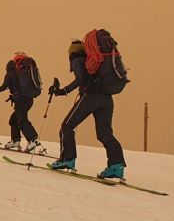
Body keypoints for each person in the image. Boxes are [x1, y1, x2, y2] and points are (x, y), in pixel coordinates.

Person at [49, 32, 127, 179]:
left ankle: (67, 159)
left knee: (67, 125)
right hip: (106, 98)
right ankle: (116, 166)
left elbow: (80, 78)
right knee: (105, 134)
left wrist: (63, 91)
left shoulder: (77, 59)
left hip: (91, 97)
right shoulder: (96, 61)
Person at [0, 53, 43, 152]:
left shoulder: (10, 74)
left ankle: (32, 139)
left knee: (21, 120)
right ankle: (16, 140)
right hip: (29, 99)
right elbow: (17, 88)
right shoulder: (20, 73)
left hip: (21, 100)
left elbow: (3, 87)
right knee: (14, 120)